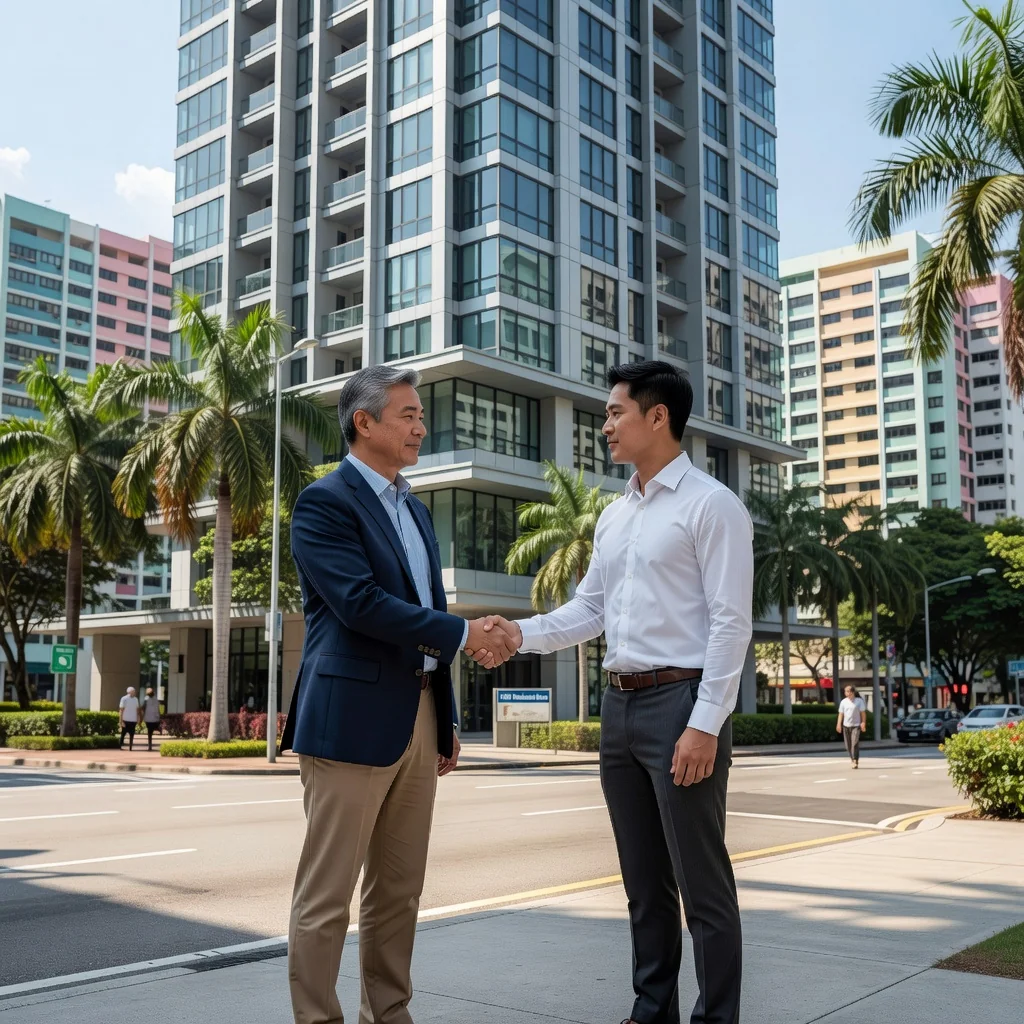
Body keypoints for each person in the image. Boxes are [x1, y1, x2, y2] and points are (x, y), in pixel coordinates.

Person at [478, 360, 752, 1024]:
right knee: (642, 886)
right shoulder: (616, 516)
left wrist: (705, 723)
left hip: (681, 704)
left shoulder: (712, 505)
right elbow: (587, 612)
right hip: (621, 708)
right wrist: (515, 632)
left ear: (657, 417)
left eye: (613, 413)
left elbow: (730, 622)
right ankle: (650, 1010)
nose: (605, 426)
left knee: (702, 887)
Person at [281, 365, 518, 1024]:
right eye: (408, 414)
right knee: (326, 896)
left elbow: (420, 606)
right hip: (349, 718)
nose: (420, 425)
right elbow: (360, 604)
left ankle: (388, 1016)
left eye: (419, 415)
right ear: (364, 422)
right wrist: (464, 633)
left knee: (399, 892)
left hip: (416, 713)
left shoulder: (414, 508)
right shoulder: (325, 502)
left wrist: (442, 717)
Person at [836, 685, 867, 768]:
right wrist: (838, 724)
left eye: (849, 691)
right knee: (848, 746)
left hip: (856, 726)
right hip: (846, 726)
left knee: (854, 743)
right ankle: (852, 759)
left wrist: (863, 722)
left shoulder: (859, 701)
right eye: (846, 691)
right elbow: (841, 714)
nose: (847, 693)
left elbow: (863, 713)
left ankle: (855, 760)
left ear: (853, 692)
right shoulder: (843, 702)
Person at [118, 686, 140, 751]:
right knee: (123, 734)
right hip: (125, 720)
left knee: (132, 734)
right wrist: (121, 721)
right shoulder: (124, 699)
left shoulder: (136, 699)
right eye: (133, 692)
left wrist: (138, 718)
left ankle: (130, 747)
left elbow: (137, 709)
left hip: (133, 720)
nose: (134, 693)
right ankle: (120, 745)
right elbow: (121, 710)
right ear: (129, 692)